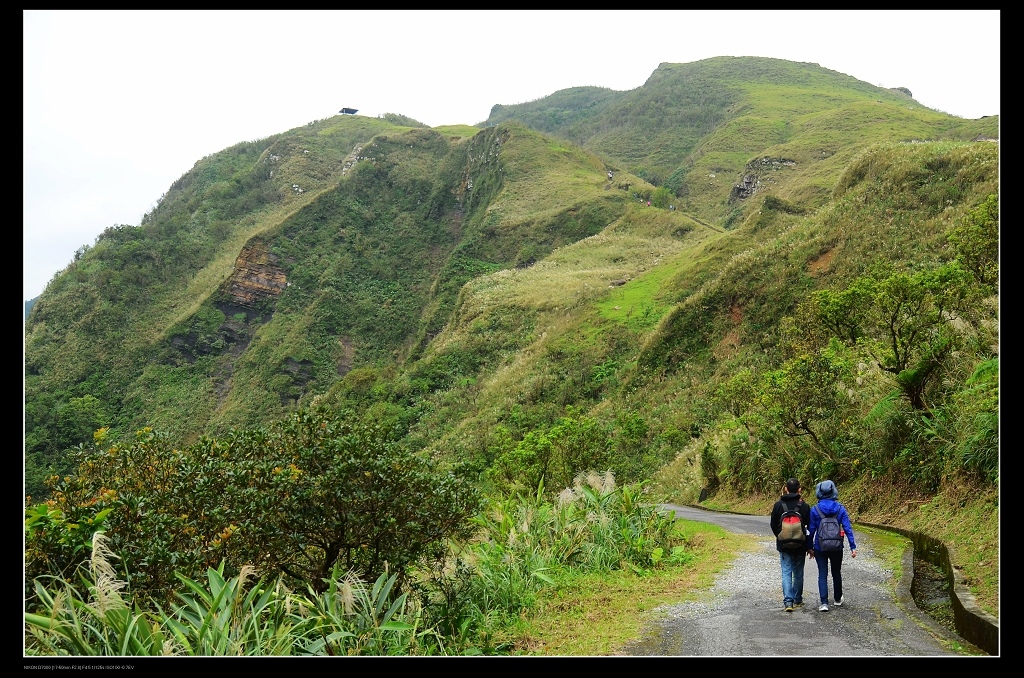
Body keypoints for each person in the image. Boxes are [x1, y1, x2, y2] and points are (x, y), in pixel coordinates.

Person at [808, 479, 857, 612]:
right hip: (837, 547)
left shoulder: (815, 510)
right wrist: (853, 546)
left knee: (822, 573)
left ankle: (824, 603)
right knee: (836, 572)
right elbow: (847, 528)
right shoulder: (840, 508)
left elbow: (811, 530)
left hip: (820, 546)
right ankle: (837, 599)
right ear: (833, 491)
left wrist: (810, 547)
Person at [770, 478, 811, 612]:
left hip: (784, 545)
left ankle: (788, 602)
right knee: (798, 572)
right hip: (800, 544)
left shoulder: (778, 505)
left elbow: (773, 524)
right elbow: (809, 527)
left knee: (786, 572)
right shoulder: (804, 506)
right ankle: (797, 599)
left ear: (786, 489)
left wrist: (781, 537)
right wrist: (808, 544)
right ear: (799, 489)